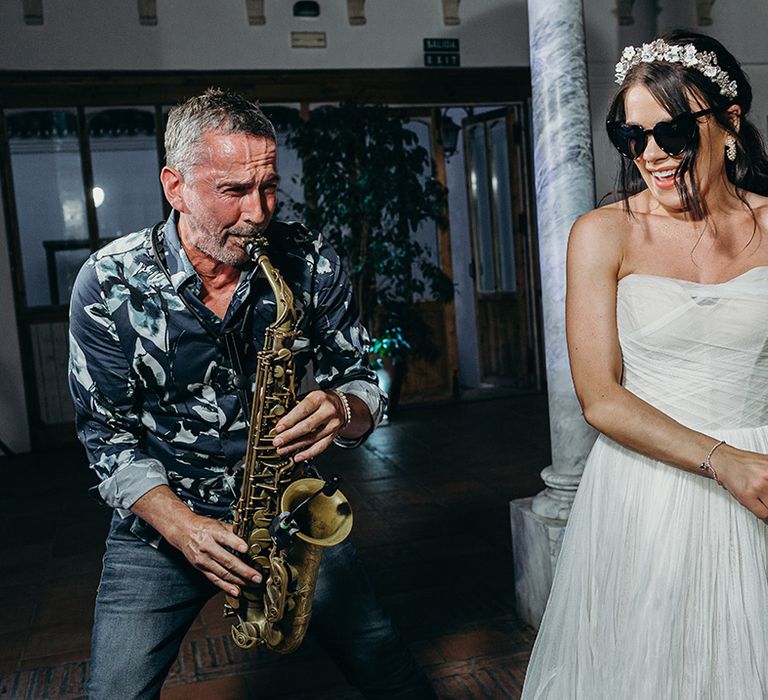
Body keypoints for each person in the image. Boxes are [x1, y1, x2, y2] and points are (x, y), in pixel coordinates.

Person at [68, 88, 435, 700]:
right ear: (175, 186)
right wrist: (184, 528)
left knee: (385, 665)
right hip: (164, 527)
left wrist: (345, 408)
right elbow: (106, 438)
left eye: (268, 187)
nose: (260, 212)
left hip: (285, 511)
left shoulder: (308, 259)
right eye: (233, 192)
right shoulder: (107, 284)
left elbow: (362, 380)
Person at [522, 31, 768, 699]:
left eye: (672, 133)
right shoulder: (603, 233)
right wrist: (725, 461)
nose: (652, 156)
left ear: (729, 125)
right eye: (633, 138)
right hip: (649, 486)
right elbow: (600, 398)